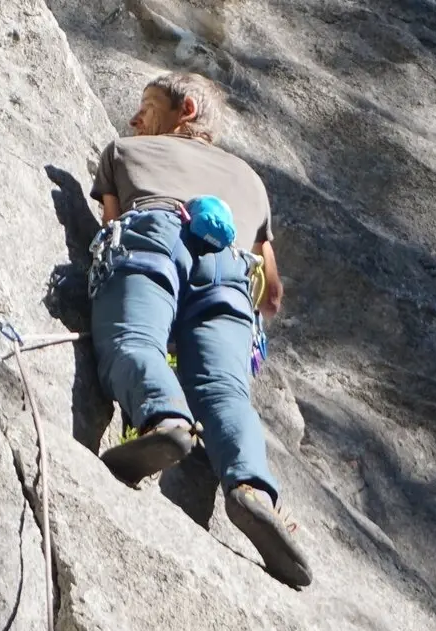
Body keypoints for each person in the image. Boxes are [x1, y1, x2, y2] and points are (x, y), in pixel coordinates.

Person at [87, 71, 311, 588]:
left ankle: (164, 419)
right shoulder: (252, 183)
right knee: (225, 390)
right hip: (231, 273)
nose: (134, 118)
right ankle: (253, 490)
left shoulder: (123, 151)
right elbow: (271, 294)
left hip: (153, 234)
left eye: (146, 105)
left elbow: (108, 230)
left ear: (185, 109)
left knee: (132, 340)